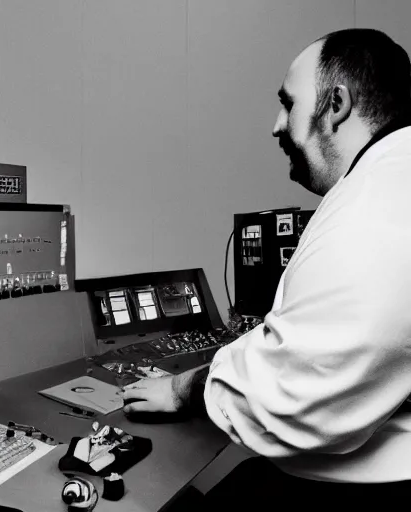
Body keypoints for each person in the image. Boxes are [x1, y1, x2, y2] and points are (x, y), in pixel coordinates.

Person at [123, 28, 411, 509]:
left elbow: (297, 386)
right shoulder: (387, 179)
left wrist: (182, 387)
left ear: (335, 104)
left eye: (289, 103)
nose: (277, 126)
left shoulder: (372, 206)